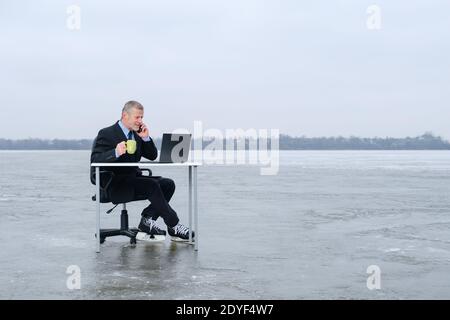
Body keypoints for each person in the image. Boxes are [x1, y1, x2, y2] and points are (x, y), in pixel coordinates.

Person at [90, 100, 194, 241]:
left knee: (168, 184)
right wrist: (115, 152)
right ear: (125, 115)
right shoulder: (106, 133)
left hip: (134, 179)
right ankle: (174, 225)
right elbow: (95, 160)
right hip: (114, 184)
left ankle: (147, 220)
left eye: (142, 117)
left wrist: (145, 138)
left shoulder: (137, 134)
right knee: (151, 185)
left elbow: (152, 156)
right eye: (137, 117)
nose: (140, 121)